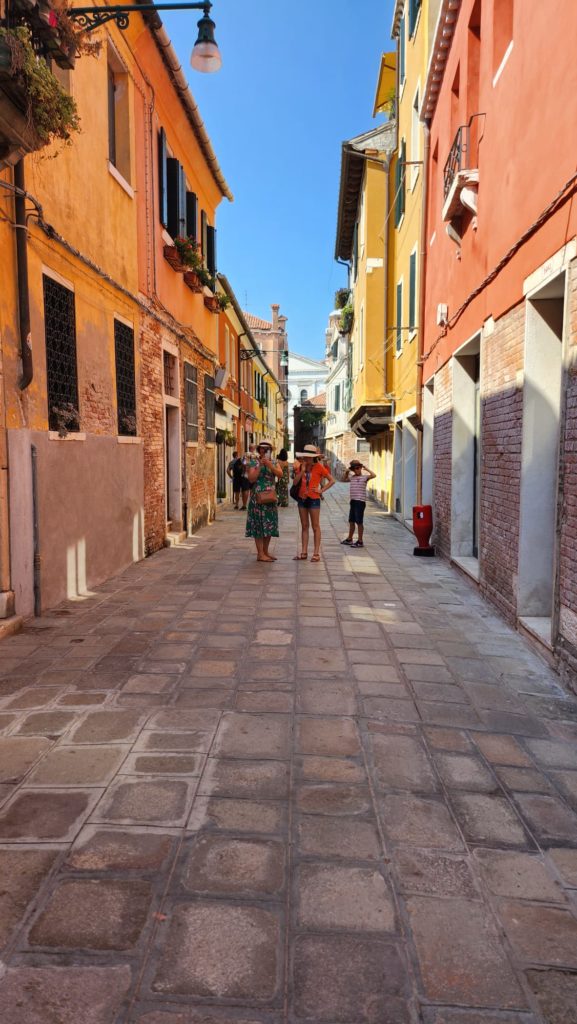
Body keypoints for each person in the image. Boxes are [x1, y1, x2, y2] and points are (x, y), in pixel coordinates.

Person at [293, 444, 335, 562]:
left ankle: (316, 553)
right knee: (304, 526)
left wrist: (321, 490)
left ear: (313, 457)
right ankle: (304, 552)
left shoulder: (319, 467)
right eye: (305, 456)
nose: (306, 458)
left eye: (308, 457)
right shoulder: (301, 466)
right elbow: (295, 483)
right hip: (302, 498)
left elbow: (332, 480)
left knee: (315, 526)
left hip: (314, 499)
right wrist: (302, 471)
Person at [245, 440, 283, 562]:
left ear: (270, 450)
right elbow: (251, 479)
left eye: (267, 448)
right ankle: (260, 553)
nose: (265, 450)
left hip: (270, 498)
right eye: (262, 448)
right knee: (258, 525)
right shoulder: (253, 462)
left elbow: (280, 474)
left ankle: (265, 552)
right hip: (257, 498)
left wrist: (270, 466)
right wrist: (260, 466)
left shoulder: (274, 462)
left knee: (269, 524)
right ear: (259, 449)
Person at [341, 460, 376, 547]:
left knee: (359, 522)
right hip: (353, 501)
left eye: (358, 468)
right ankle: (349, 539)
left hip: (360, 502)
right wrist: (346, 472)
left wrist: (367, 469)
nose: (356, 470)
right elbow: (343, 479)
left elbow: (374, 475)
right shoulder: (352, 478)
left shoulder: (365, 478)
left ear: (360, 468)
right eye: (354, 469)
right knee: (351, 521)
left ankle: (360, 541)